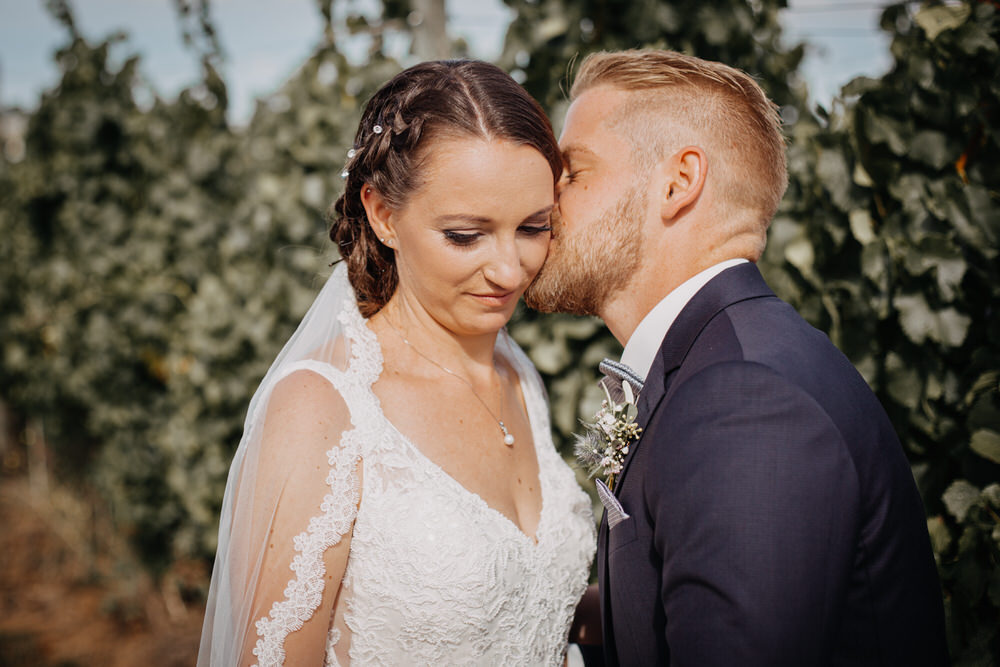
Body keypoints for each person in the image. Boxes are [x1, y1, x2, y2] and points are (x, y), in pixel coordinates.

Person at [527, 49, 949, 666]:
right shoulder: (719, 363)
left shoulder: (744, 399)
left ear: (677, 183)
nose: (547, 203)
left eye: (575, 172)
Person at [198, 60, 596, 666]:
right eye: (466, 235)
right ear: (383, 215)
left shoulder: (519, 376)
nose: (510, 270)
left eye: (533, 227)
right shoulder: (323, 409)